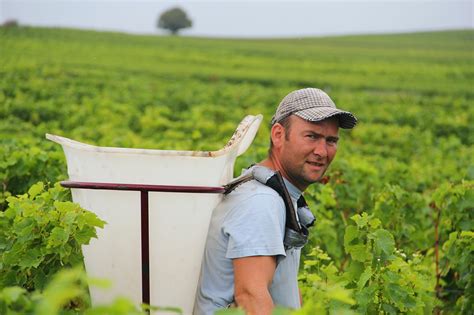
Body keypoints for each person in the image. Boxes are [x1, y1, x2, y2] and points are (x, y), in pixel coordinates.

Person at [194, 88, 357, 314]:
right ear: (278, 135)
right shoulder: (261, 202)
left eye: (331, 140)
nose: (322, 151)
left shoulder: (273, 192)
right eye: (311, 136)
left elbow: (281, 287)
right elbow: (250, 297)